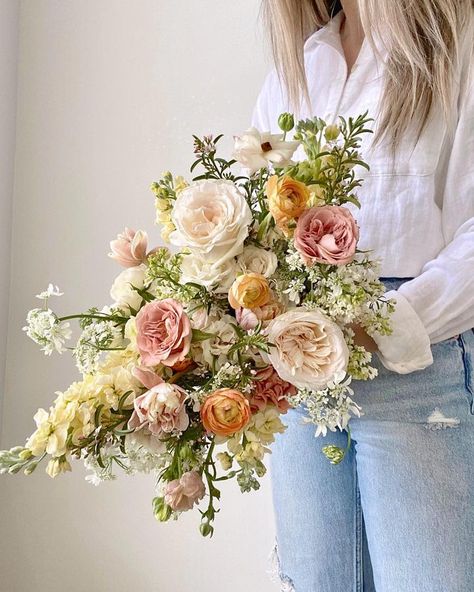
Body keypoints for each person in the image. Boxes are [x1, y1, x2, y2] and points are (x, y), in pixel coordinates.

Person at [251, 1, 474, 590]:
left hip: (422, 370)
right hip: (298, 373)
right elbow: (260, 227)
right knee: (315, 580)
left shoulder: (458, 44)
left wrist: (380, 324)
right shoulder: (300, 64)